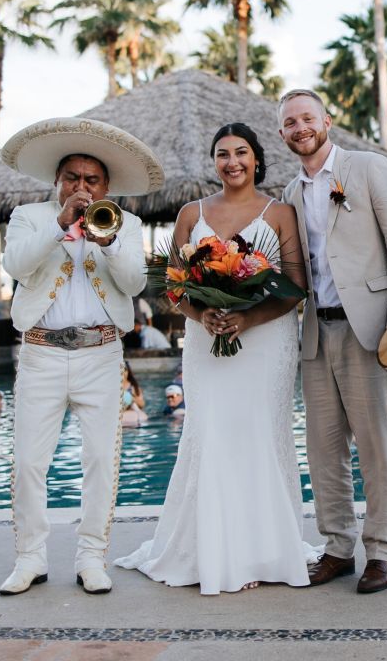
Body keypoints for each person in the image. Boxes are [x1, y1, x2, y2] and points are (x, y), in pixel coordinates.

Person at [115, 122, 311, 595]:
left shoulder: (280, 213)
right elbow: (173, 287)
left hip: (266, 341)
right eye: (222, 154)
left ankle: (265, 550)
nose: (232, 162)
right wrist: (203, 316)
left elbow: (295, 286)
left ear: (257, 159)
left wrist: (247, 319)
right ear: (214, 162)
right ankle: (214, 550)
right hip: (206, 342)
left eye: (241, 152)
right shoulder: (191, 213)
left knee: (263, 432)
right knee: (213, 432)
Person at [0, 116, 163, 596]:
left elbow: (134, 284)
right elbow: (16, 266)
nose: (82, 187)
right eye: (73, 178)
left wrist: (107, 243)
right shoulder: (29, 217)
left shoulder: (126, 224)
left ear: (107, 186)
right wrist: (59, 225)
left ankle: (92, 556)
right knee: (29, 461)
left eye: (92, 180)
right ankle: (30, 557)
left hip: (101, 355)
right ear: (57, 181)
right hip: (41, 354)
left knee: (100, 460)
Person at [279, 89, 387, 594]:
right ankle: (337, 546)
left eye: (307, 118)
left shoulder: (367, 168)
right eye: (290, 122)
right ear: (283, 134)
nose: (300, 128)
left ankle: (383, 552)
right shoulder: (290, 193)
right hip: (316, 333)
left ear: (327, 120)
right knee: (323, 447)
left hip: (372, 330)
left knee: (375, 446)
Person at [120, 361, 148, 428]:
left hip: (130, 415)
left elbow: (142, 404)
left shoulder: (133, 387)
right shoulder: (113, 386)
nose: (123, 373)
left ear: (128, 372)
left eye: (125, 370)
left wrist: (132, 398)